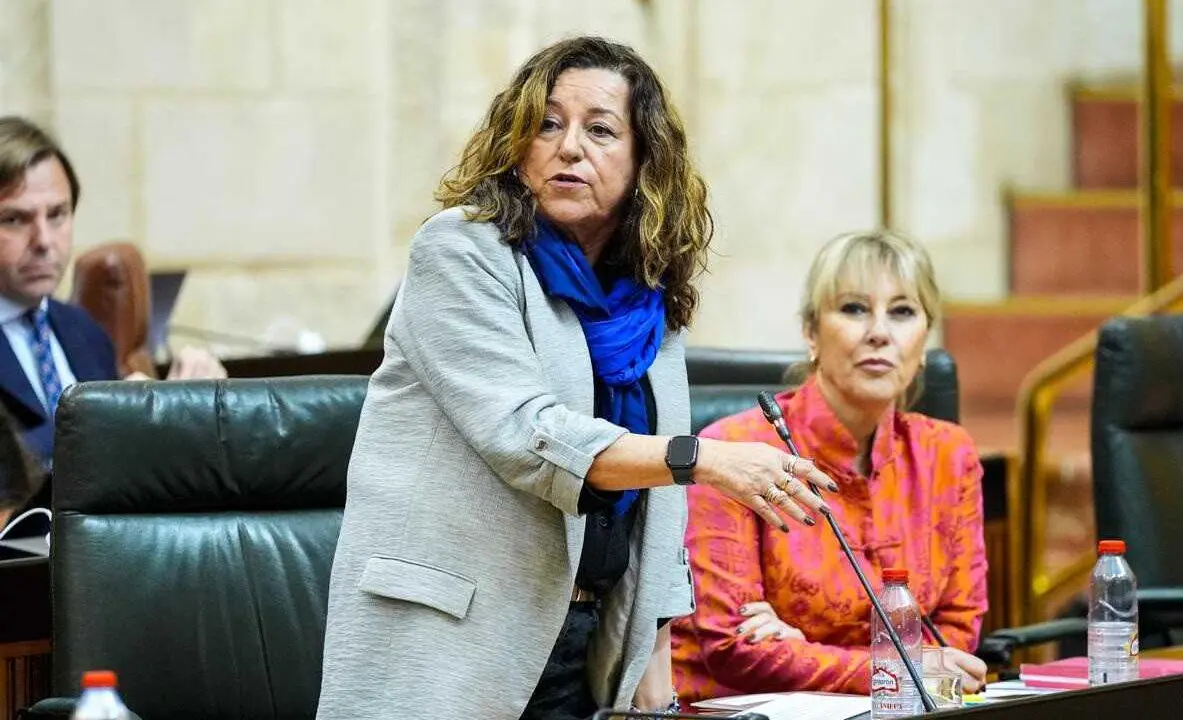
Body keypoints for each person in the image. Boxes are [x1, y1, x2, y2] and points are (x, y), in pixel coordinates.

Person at [316, 36, 834, 720]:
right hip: (446, 642)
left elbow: (657, 507)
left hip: (580, 645)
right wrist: (700, 458)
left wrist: (654, 654)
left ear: (644, 160)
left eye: (599, 130)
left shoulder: (646, 294)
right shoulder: (460, 252)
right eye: (548, 124)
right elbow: (528, 436)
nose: (568, 147)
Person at [672, 230, 990, 704]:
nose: (880, 332)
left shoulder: (948, 453)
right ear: (811, 332)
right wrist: (890, 668)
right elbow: (737, 647)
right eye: (854, 309)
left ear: (925, 340)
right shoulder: (733, 449)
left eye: (902, 311)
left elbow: (954, 638)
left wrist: (803, 651)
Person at [0, 116, 226, 472]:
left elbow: (124, 471)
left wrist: (185, 412)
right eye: (15, 219)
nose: (44, 240)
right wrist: (113, 420)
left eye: (57, 214)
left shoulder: (84, 331)